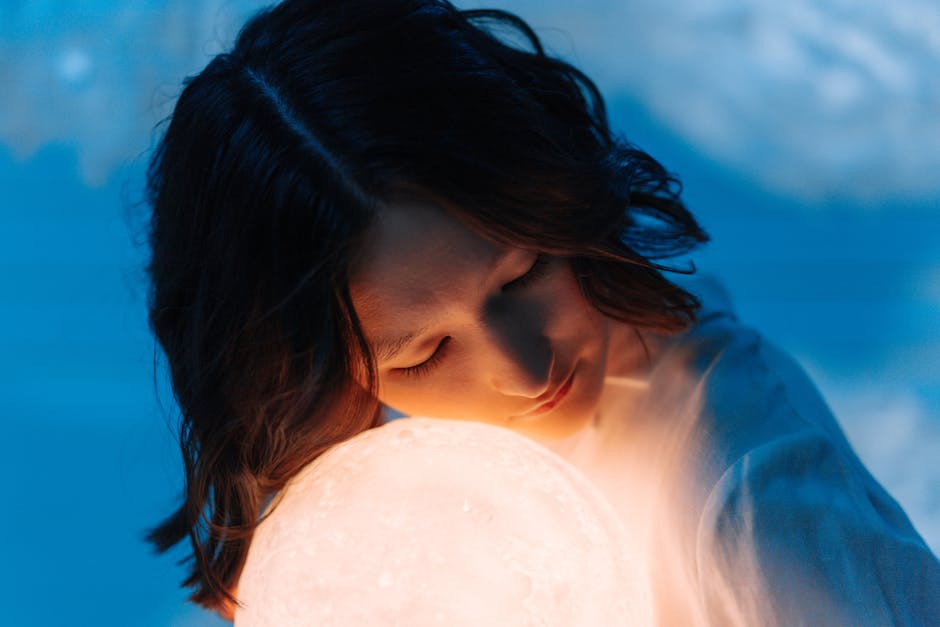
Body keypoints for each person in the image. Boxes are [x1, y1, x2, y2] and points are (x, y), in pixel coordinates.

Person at [144, 0, 940, 623]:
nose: (527, 367)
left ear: (560, 205)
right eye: (423, 355)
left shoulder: (744, 505)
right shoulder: (403, 497)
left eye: (523, 274)